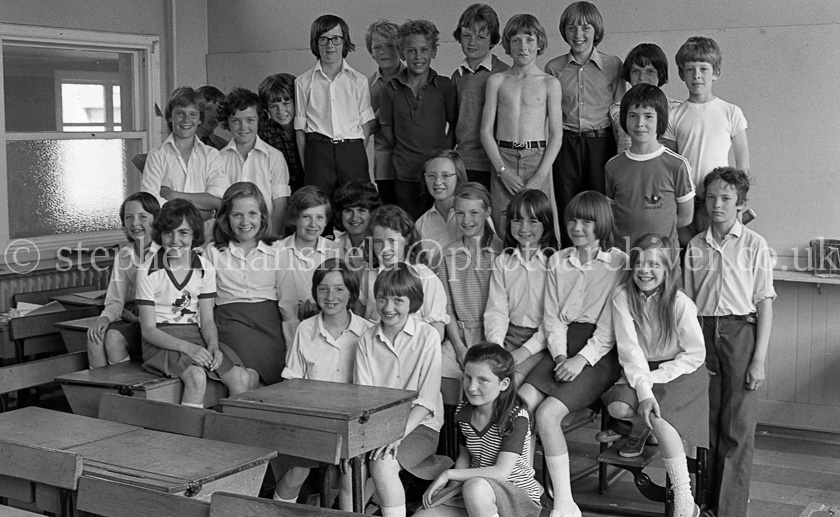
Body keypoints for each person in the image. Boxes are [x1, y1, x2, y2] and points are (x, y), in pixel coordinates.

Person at [518, 190, 624, 517]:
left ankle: (565, 503)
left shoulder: (618, 262)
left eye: (586, 221)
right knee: (521, 402)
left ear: (601, 224)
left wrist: (582, 359)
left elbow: (610, 324)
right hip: (561, 346)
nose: (577, 227)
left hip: (599, 353)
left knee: (547, 414)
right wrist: (562, 356)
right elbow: (552, 317)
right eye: (572, 220)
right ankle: (526, 485)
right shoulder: (558, 260)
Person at [684, 168, 775, 517]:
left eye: (726, 198)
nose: (717, 204)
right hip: (703, 334)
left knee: (737, 426)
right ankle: (704, 503)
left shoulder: (755, 245)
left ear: (741, 204)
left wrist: (759, 360)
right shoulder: (695, 246)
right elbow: (687, 305)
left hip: (741, 333)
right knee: (707, 423)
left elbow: (765, 303)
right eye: (711, 197)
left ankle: (729, 510)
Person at [603, 234, 708, 517]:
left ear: (667, 270)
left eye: (654, 265)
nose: (645, 271)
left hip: (679, 370)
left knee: (659, 418)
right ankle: (640, 426)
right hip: (641, 369)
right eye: (639, 263)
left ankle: (685, 500)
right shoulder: (622, 297)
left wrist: (656, 379)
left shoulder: (679, 302)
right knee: (618, 406)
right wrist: (645, 387)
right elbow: (629, 350)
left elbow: (695, 354)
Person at [136, 198, 257, 407]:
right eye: (168, 233)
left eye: (183, 233)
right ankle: (188, 438)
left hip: (195, 335)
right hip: (161, 340)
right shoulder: (148, 270)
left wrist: (212, 345)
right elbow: (148, 330)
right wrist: (189, 349)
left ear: (194, 234)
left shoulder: (205, 268)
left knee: (241, 378)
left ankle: (230, 435)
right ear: (160, 234)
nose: (175, 240)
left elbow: (208, 320)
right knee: (196, 377)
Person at [275, 258, 373, 509]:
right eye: (323, 289)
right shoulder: (305, 330)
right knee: (295, 472)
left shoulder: (367, 331)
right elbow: (292, 382)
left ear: (351, 293)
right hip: (313, 419)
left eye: (339, 289)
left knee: (351, 474)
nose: (331, 296)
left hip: (353, 421)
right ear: (315, 291)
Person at [355, 264, 452, 517]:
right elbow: (365, 399)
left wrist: (395, 437)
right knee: (351, 466)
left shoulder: (428, 336)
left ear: (413, 301)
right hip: (378, 425)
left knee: (382, 462)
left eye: (398, 300)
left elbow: (427, 401)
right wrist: (366, 440)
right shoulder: (366, 339)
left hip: (420, 427)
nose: (388, 307)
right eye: (382, 298)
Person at [415, 343, 543, 517]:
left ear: (504, 384)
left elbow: (501, 472)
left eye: (482, 380)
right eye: (468, 377)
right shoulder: (463, 412)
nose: (472, 387)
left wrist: (448, 473)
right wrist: (450, 492)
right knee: (423, 515)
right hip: (474, 493)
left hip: (515, 496)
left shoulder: (517, 417)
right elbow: (464, 457)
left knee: (475, 487)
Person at [545, 1, 624, 248]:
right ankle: (570, 261)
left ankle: (602, 261)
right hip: (566, 144)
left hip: (602, 143)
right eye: (571, 28)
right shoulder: (554, 68)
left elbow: (619, 111)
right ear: (564, 31)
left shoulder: (614, 65)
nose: (578, 35)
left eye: (585, 28)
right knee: (568, 205)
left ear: (596, 30)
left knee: (600, 207)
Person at [663, 36, 749, 246]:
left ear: (716, 72)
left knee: (715, 258)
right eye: (690, 69)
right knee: (687, 258)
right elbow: (669, 165)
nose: (697, 76)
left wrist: (738, 203)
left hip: (717, 201)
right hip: (685, 201)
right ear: (682, 74)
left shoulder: (730, 112)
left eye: (704, 69)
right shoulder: (675, 115)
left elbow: (742, 164)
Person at [481, 13, 562, 235]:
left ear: (539, 44)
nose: (523, 47)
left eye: (529, 40)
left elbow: (556, 134)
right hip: (503, 156)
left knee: (539, 223)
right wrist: (502, 170)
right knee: (502, 222)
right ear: (507, 44)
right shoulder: (497, 81)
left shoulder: (549, 83)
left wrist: (540, 175)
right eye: (516, 40)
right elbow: (486, 131)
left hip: (537, 158)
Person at [206, 182, 285, 385]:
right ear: (226, 218)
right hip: (230, 322)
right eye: (237, 215)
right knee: (247, 376)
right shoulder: (213, 251)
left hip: (269, 324)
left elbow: (288, 301)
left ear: (262, 216)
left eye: (252, 214)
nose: (245, 222)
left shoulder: (278, 249)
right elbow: (206, 301)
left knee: (275, 383)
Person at [380, 19, 458, 219]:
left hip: (439, 176)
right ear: (402, 53)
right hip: (405, 174)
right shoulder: (391, 89)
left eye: (424, 50)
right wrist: (407, 149)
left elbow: (455, 124)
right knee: (410, 228)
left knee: (441, 224)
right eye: (411, 50)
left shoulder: (445, 86)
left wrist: (442, 154)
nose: (418, 56)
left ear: (433, 52)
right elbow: (388, 130)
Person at [605, 83, 694, 251]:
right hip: (623, 259)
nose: (640, 123)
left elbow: (686, 217)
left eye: (648, 116)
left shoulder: (677, 165)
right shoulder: (613, 166)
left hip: (663, 261)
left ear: (660, 119)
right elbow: (612, 214)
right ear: (624, 118)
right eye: (633, 116)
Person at [484, 189, 558, 387]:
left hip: (542, 341)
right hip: (508, 336)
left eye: (533, 221)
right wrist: (497, 347)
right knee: (484, 377)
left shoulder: (555, 263)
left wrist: (524, 352)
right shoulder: (503, 261)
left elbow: (555, 320)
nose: (524, 227)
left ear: (546, 224)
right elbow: (496, 310)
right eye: (517, 220)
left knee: (510, 382)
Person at [295, 14, 374, 197]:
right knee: (319, 207)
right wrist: (308, 164)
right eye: (323, 39)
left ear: (344, 41)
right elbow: (300, 130)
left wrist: (353, 155)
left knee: (358, 203)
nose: (330, 45)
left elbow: (365, 125)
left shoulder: (359, 81)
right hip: (318, 152)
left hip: (352, 149)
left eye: (336, 39)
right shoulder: (303, 83)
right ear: (316, 43)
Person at [87, 192, 161, 368]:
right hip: (136, 320)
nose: (135, 223)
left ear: (156, 220)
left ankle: (123, 392)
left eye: (143, 217)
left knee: (113, 339)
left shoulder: (166, 252)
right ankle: (102, 393)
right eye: (129, 217)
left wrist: (136, 320)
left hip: (159, 323)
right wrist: (104, 319)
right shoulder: (124, 256)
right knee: (94, 338)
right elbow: (115, 301)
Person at [437, 183, 504, 378]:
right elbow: (447, 307)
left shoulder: (502, 253)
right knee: (435, 371)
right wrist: (459, 348)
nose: (466, 220)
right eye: (460, 213)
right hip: (461, 337)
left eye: (474, 213)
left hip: (496, 335)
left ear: (487, 212)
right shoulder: (447, 255)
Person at [356, 205, 448, 340]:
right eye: (378, 242)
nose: (384, 248)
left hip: (412, 347)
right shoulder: (370, 273)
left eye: (392, 241)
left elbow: (437, 332)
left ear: (407, 239)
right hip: (372, 346)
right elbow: (360, 315)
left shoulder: (425, 277)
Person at [140, 87, 228, 220]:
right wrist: (201, 211)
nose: (186, 120)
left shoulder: (212, 155)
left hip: (206, 235)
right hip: (169, 233)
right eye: (180, 113)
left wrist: (171, 195)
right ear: (170, 117)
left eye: (193, 114)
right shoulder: (157, 156)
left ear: (200, 119)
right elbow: (150, 203)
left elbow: (217, 200)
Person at [451, 3, 509, 189]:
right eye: (467, 36)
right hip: (463, 162)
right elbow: (454, 122)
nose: (472, 42)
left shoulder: (505, 74)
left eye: (480, 37)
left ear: (492, 40)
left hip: (494, 162)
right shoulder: (457, 76)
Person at [218, 87, 290, 236]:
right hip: (232, 236)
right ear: (227, 122)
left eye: (250, 120)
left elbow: (280, 204)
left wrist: (272, 240)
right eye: (236, 121)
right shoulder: (219, 158)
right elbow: (219, 204)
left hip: (267, 236)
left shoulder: (274, 157)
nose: (243, 127)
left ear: (259, 120)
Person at [275, 186, 341, 345]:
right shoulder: (277, 251)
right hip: (288, 331)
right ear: (294, 218)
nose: (313, 224)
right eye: (306, 217)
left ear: (326, 220)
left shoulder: (335, 252)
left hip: (329, 327)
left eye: (319, 217)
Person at [609, 43, 682, 154]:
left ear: (660, 74)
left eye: (650, 71)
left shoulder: (677, 110)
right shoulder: (616, 111)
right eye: (635, 71)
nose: (642, 77)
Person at [365, 20, 404, 205]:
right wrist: (384, 110)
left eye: (390, 46)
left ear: (400, 48)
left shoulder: (415, 78)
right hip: (385, 166)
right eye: (377, 47)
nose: (384, 52)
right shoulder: (366, 87)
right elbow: (366, 129)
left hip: (415, 162)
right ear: (371, 52)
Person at [415, 150, 469, 262]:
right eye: (431, 176)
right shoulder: (421, 224)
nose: (437, 182)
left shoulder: (473, 214)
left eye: (445, 176)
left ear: (458, 177)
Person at [258, 73, 304, 193]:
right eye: (273, 106)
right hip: (279, 192)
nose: (280, 111)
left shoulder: (309, 127)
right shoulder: (264, 133)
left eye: (286, 103)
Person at [332, 181, 382, 268]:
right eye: (348, 211)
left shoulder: (381, 245)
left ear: (373, 213)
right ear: (340, 214)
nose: (354, 217)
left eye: (361, 211)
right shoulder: (334, 246)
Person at [196, 85, 229, 151]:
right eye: (208, 109)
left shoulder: (225, 147)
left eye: (218, 110)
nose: (214, 115)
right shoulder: (181, 144)